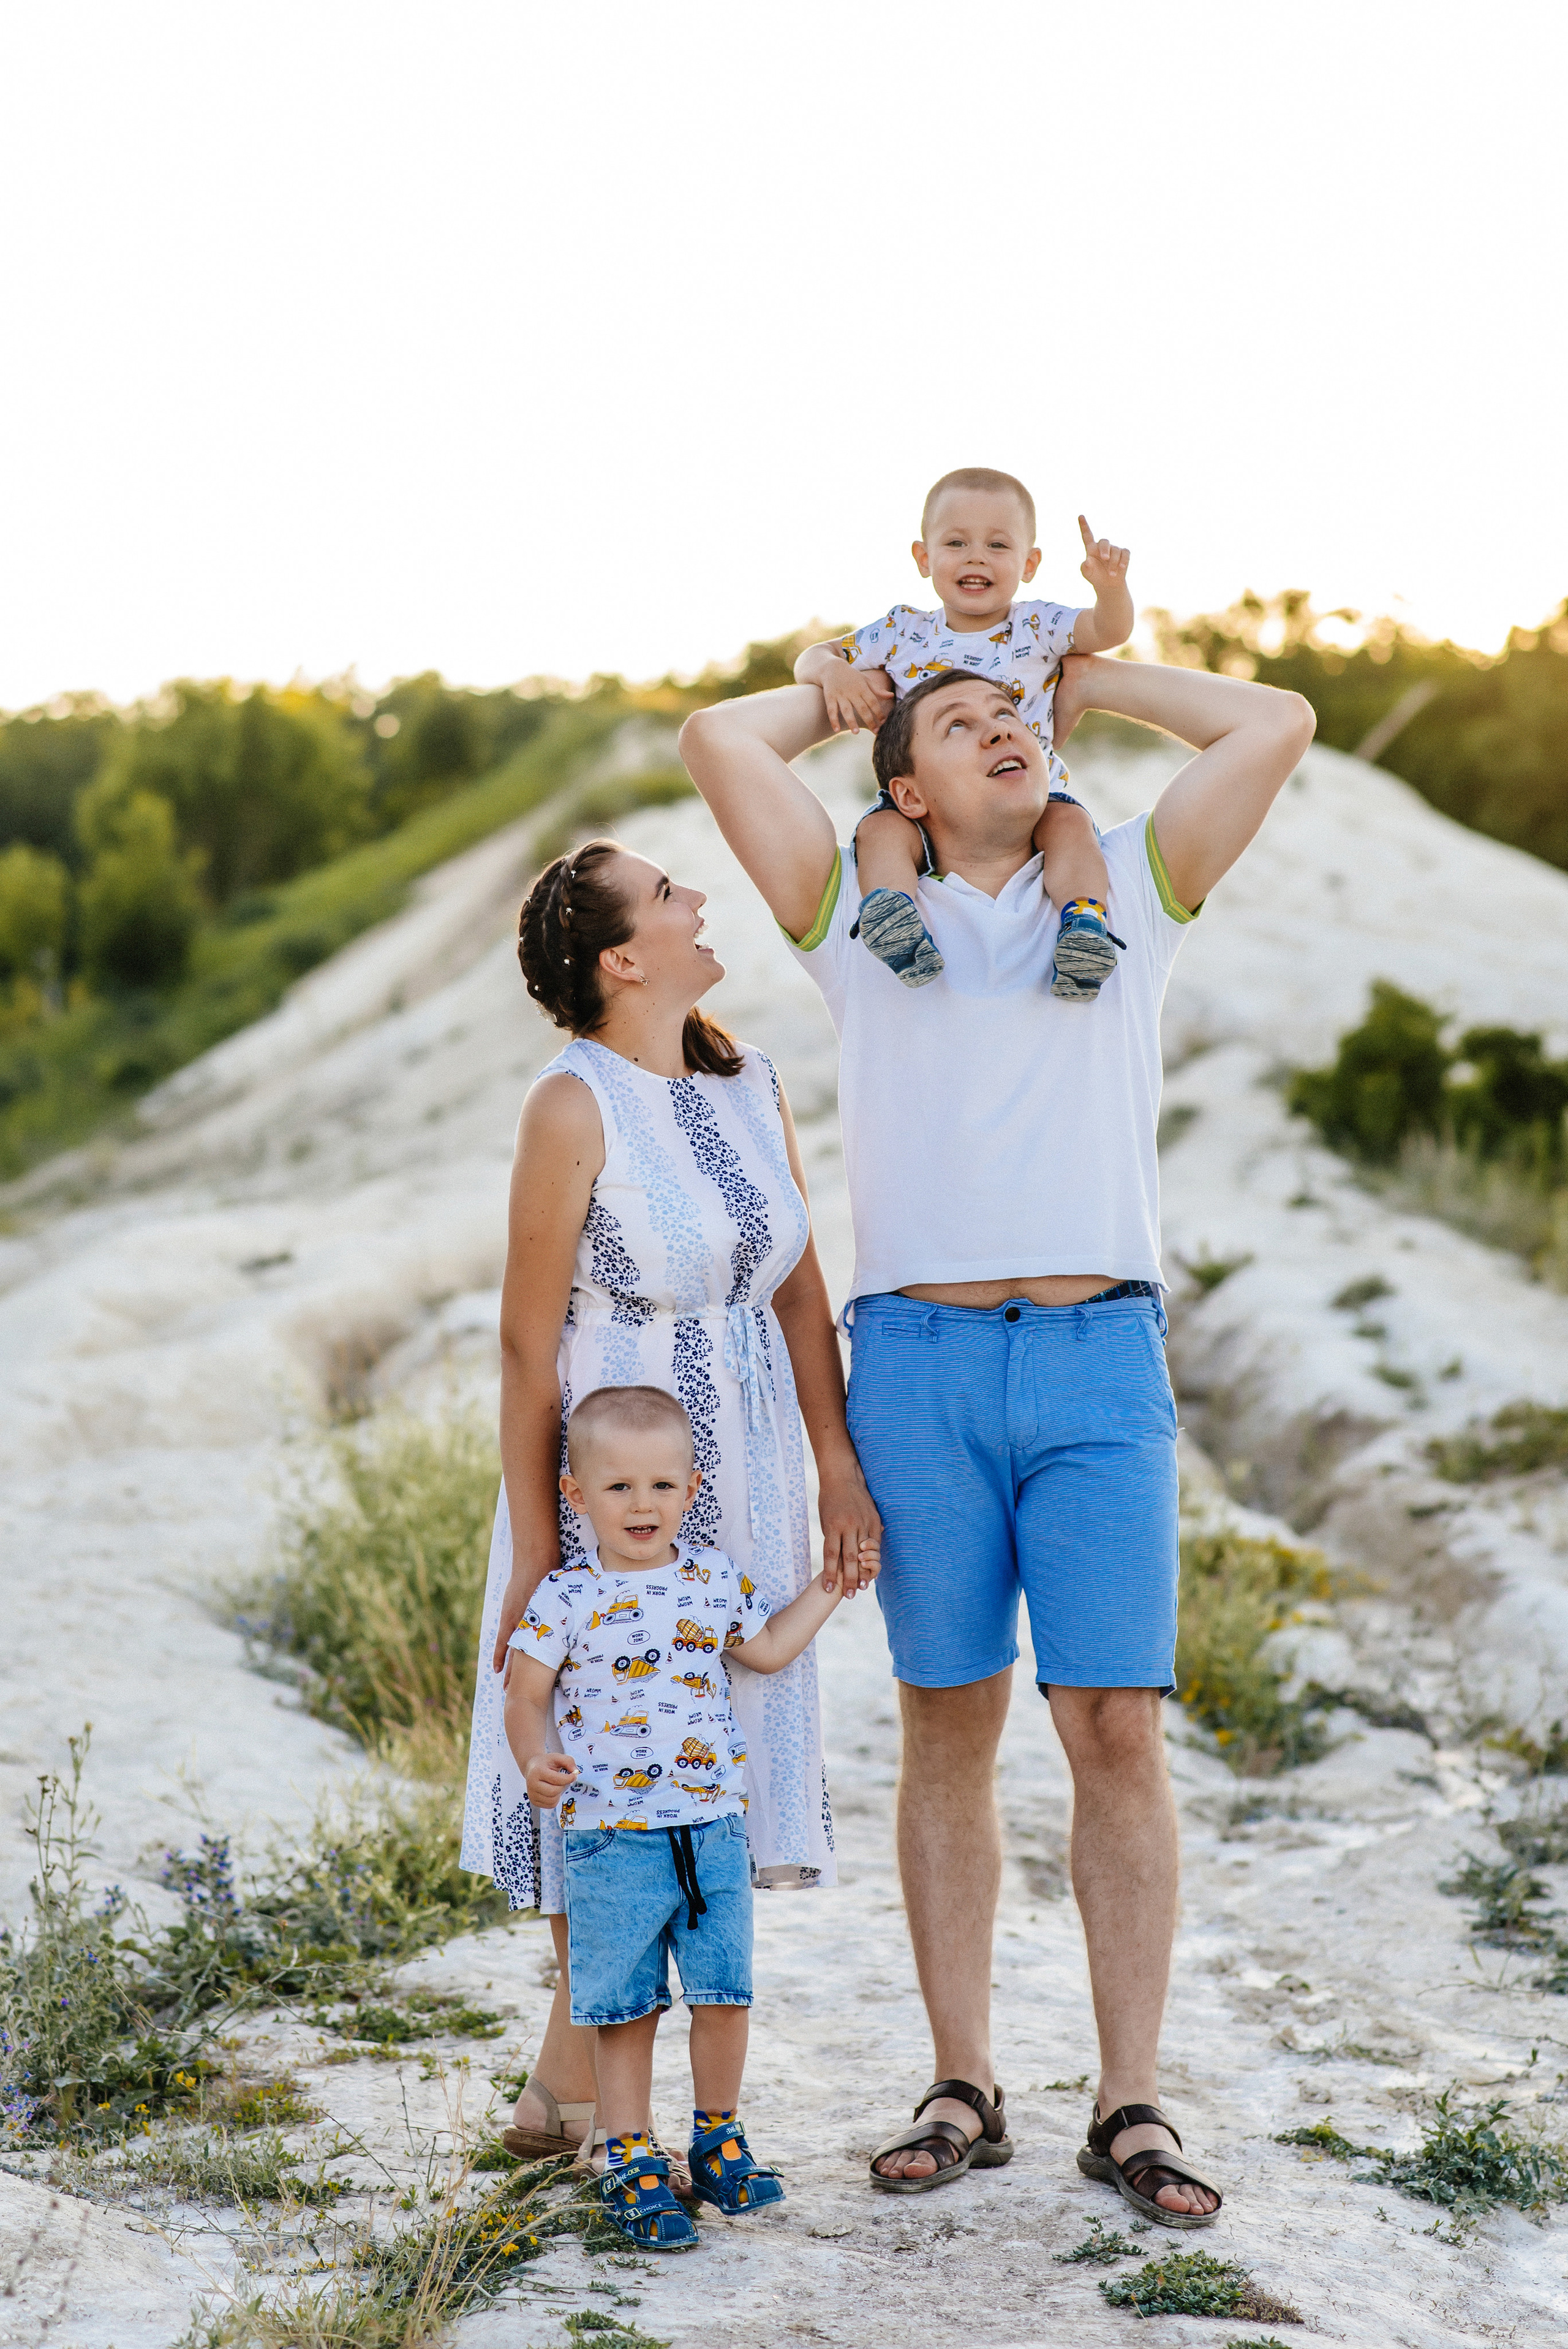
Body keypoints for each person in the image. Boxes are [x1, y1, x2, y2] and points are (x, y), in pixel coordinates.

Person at [679, 650, 1315, 2222]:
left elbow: (1276, 721)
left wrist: (1092, 672)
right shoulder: (851, 921)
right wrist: (842, 692)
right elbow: (710, 739)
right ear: (905, 788)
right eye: (961, 726)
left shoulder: (1132, 896)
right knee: (946, 1718)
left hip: (1100, 1358)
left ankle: (1130, 2101)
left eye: (1015, 715)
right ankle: (961, 2076)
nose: (1005, 729)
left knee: (1114, 1727)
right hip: (918, 1362)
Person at [459, 834, 882, 2182]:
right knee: (601, 1759)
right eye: (667, 892)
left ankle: (560, 2091)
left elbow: (800, 1289)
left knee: (690, 1755)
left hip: (746, 1461)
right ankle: (578, 2092)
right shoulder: (568, 1105)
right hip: (613, 1468)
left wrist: (834, 1458)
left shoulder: (748, 1079)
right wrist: (541, 1546)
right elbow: (528, 1346)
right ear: (621, 958)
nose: (700, 897)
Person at [505, 1381, 878, 2249]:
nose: (643, 1505)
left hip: (711, 1826)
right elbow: (525, 1694)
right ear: (578, 1495)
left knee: (723, 1994)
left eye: (663, 1486)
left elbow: (772, 1648)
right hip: (612, 1834)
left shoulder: (713, 1581)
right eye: (619, 1487)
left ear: (692, 1488)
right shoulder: (564, 1595)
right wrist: (534, 1759)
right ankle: (631, 2155)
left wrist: (832, 1583)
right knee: (627, 2007)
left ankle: (719, 2137)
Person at [793, 467, 1132, 999]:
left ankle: (1084, 925)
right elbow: (816, 656)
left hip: (1031, 788)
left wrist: (1110, 590)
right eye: (956, 542)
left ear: (1030, 563)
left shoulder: (1038, 625)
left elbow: (1106, 631)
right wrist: (834, 671)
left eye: (998, 544)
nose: (976, 557)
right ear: (924, 558)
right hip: (930, 797)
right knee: (879, 833)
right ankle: (893, 919)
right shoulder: (904, 630)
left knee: (1071, 829)